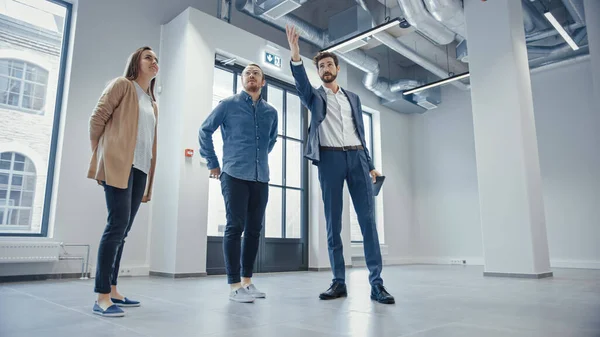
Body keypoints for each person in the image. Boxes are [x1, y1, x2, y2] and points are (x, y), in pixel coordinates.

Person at [285, 25, 394, 304]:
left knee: (368, 222)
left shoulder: (353, 98)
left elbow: (361, 132)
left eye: (329, 64)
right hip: (330, 159)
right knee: (333, 225)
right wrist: (295, 54)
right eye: (320, 66)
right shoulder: (314, 96)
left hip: (357, 158)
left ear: (337, 68)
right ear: (318, 71)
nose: (325, 68)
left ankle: (376, 284)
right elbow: (300, 82)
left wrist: (370, 164)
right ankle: (338, 281)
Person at [87, 46, 159, 316]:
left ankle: (113, 289)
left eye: (156, 59)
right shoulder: (122, 85)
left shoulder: (152, 102)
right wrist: (100, 152)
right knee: (116, 226)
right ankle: (101, 296)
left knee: (123, 230)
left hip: (140, 168)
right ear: (136, 62)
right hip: (120, 164)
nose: (154, 62)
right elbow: (97, 119)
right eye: (148, 57)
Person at [199, 63, 278, 303]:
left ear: (263, 82)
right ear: (242, 80)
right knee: (235, 227)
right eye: (247, 73)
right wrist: (213, 162)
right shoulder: (227, 105)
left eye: (256, 73)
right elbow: (205, 131)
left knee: (254, 230)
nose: (252, 75)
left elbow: (270, 141)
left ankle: (247, 281)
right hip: (233, 174)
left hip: (260, 176)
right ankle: (234, 285)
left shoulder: (271, 112)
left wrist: (258, 159)